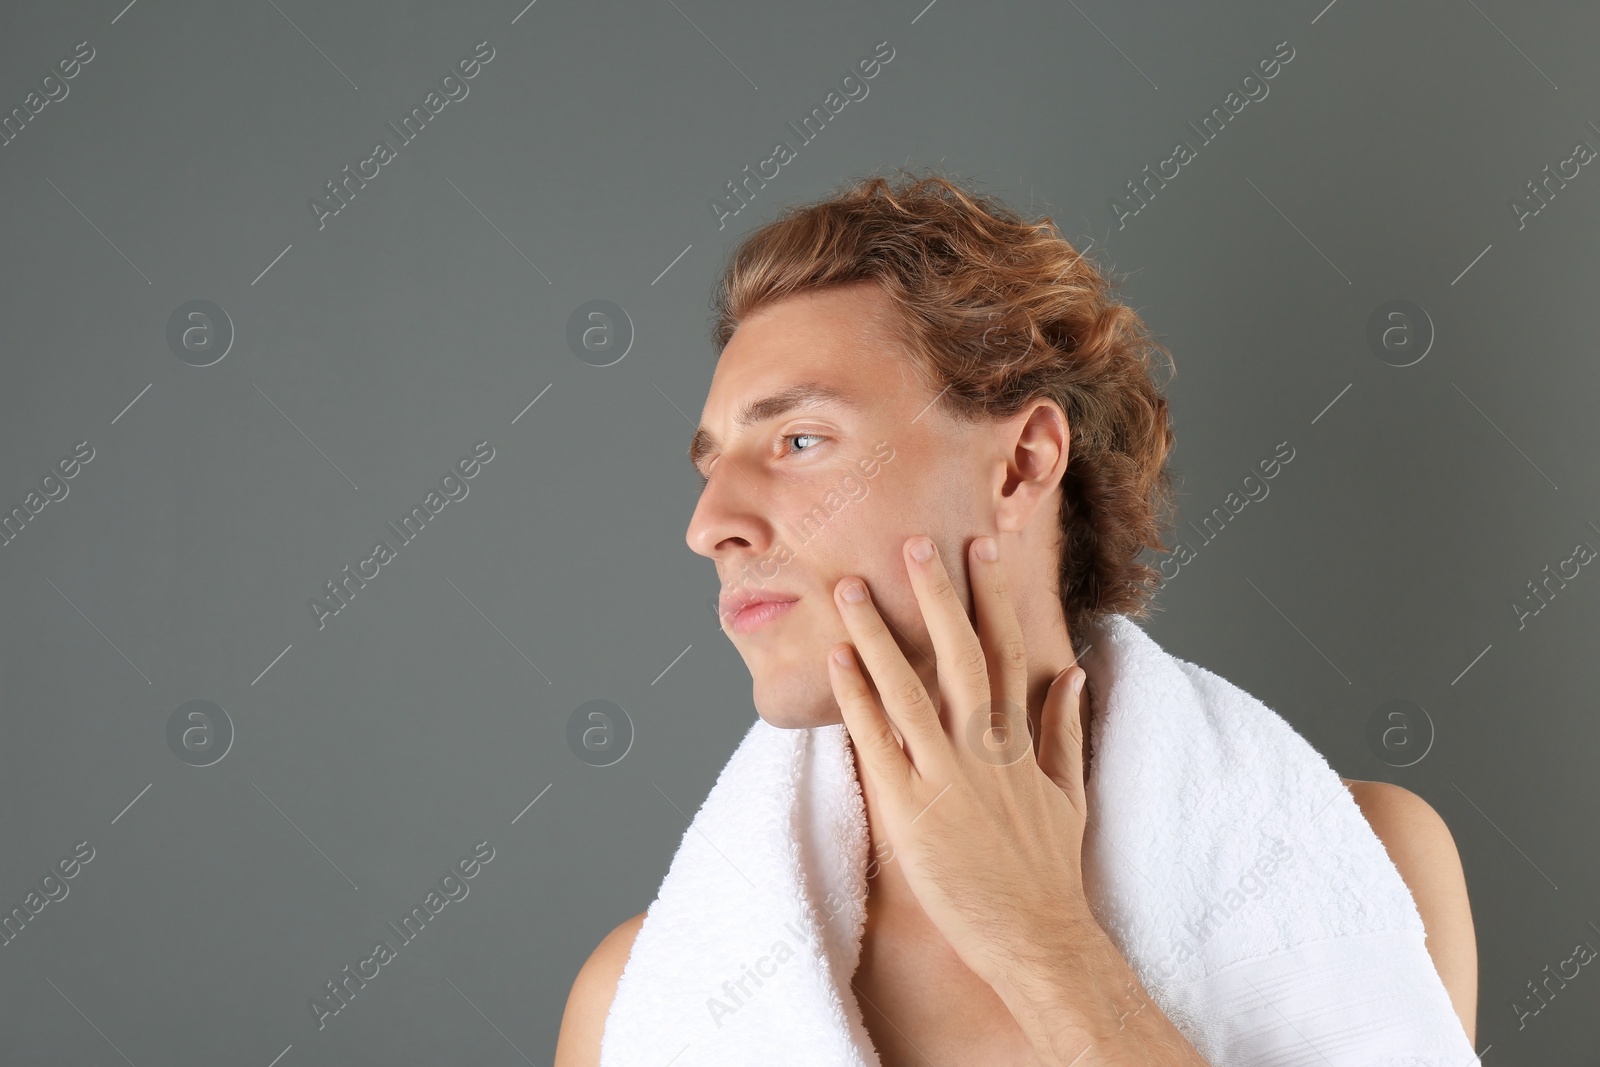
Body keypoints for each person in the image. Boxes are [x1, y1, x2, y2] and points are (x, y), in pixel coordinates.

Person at [554, 171, 1476, 1065]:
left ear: (1023, 464)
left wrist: (1042, 939)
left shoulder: (1363, 864)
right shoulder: (638, 1007)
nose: (709, 525)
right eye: (710, 465)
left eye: (800, 440)